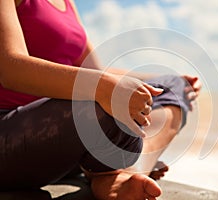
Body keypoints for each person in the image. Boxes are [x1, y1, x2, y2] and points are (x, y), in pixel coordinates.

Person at [0, 0, 201, 199]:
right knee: (97, 105)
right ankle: (117, 170)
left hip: (64, 141)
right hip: (12, 134)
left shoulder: (68, 3)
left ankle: (128, 171)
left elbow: (95, 71)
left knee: (174, 88)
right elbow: (10, 69)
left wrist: (161, 84)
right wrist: (103, 87)